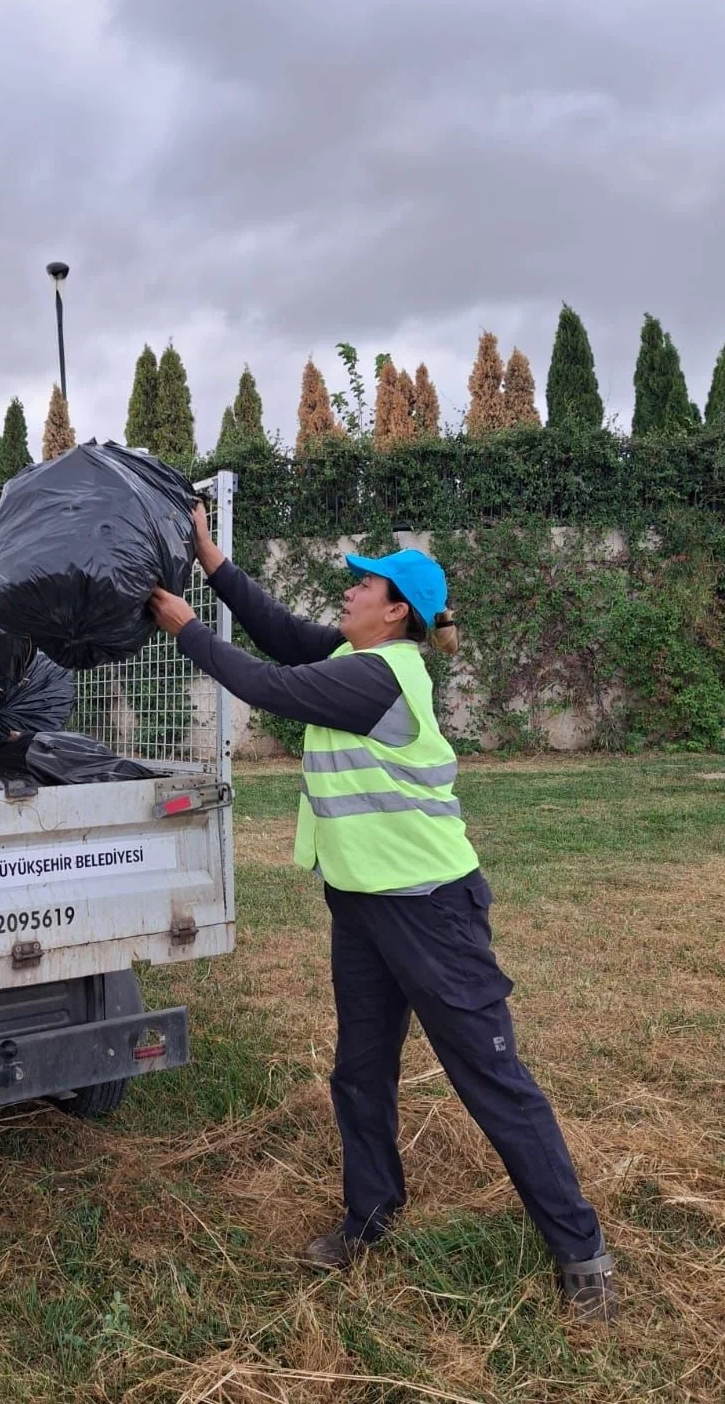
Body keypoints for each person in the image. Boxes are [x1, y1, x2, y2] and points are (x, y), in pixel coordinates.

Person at [148, 504, 618, 1324]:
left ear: (396, 608)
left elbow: (268, 682)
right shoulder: (354, 655)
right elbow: (288, 634)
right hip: (362, 906)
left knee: (491, 1077)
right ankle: (371, 1215)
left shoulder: (380, 678)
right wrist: (215, 564)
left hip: (432, 912)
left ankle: (582, 1252)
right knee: (361, 1071)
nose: (347, 593)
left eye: (361, 585)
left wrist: (187, 626)